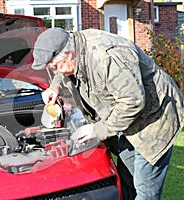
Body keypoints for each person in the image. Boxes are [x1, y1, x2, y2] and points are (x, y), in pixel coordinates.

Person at [31, 27, 184, 200]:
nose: (55, 71)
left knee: (145, 188)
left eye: (55, 67)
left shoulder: (106, 57)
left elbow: (132, 102)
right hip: (130, 120)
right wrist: (55, 86)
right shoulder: (74, 47)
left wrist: (97, 130)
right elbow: (63, 69)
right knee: (127, 176)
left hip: (155, 117)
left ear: (67, 55)